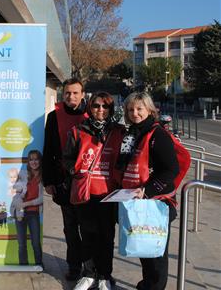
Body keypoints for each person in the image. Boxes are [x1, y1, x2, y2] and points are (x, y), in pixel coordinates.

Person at [116, 92, 180, 290]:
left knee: (156, 252)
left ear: (149, 110)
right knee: (144, 248)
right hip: (138, 200)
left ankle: (155, 286)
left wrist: (148, 190)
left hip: (157, 201)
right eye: (130, 109)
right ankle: (147, 284)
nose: (135, 113)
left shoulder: (158, 134)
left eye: (139, 109)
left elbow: (171, 169)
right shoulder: (133, 133)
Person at [63, 92, 124, 290]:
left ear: (111, 109)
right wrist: (75, 170)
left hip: (110, 193)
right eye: (96, 106)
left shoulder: (119, 132)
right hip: (86, 192)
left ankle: (105, 274)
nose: (100, 110)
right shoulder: (78, 130)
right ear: (90, 107)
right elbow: (67, 158)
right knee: (87, 235)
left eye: (105, 106)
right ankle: (89, 273)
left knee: (107, 236)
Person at [42, 78, 88, 280]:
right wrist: (49, 181)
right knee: (70, 228)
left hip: (89, 184)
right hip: (63, 182)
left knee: (88, 229)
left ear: (83, 94)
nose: (71, 96)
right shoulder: (54, 117)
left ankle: (91, 269)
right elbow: (49, 150)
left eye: (75, 93)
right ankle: (74, 267)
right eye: (68, 93)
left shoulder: (92, 114)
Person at [15, 150, 44, 266]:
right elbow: (16, 191)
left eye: (36, 159)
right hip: (20, 213)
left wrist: (26, 204)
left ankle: (39, 265)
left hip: (33, 213)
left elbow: (41, 199)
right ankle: (23, 266)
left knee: (36, 243)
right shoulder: (23, 174)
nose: (34, 162)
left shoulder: (42, 176)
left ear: (40, 161)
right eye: (31, 159)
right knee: (21, 244)